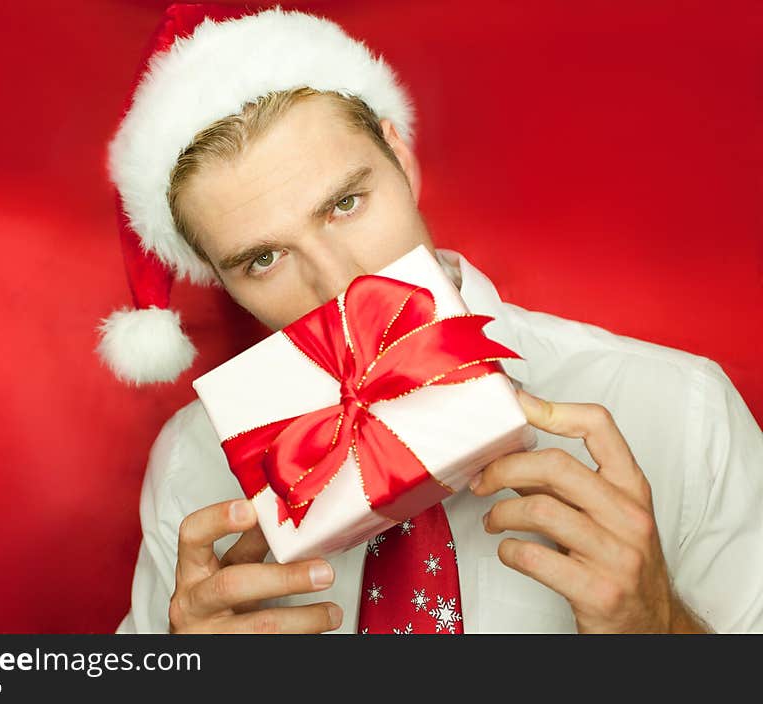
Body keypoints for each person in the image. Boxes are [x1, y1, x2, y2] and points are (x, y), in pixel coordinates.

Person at [97, 6, 763, 634]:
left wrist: (662, 629)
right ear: (221, 281)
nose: (341, 285)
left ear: (401, 156)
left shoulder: (681, 410)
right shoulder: (193, 467)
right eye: (264, 258)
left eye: (346, 204)